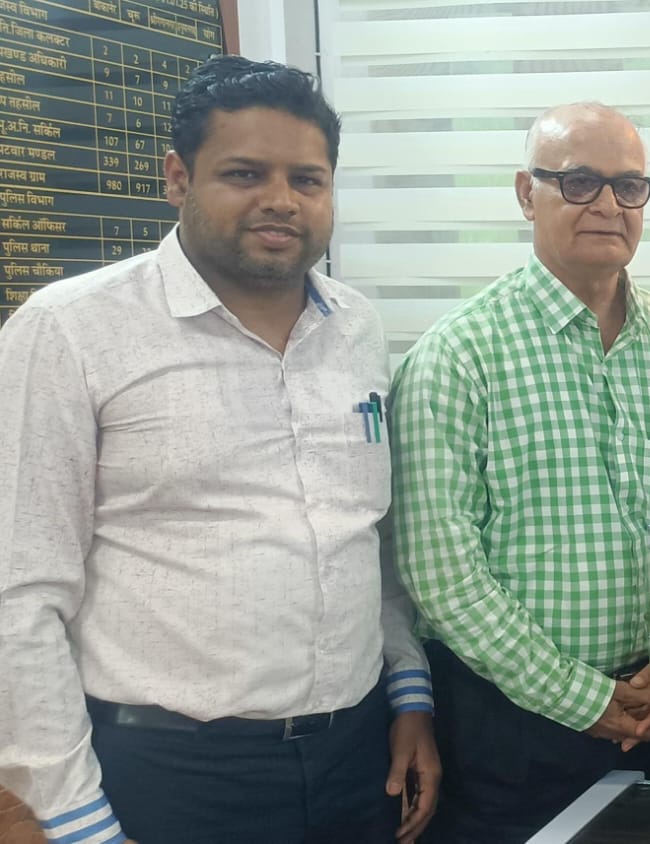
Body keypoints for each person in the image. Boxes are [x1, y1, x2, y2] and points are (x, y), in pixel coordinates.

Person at [0, 56, 439, 844]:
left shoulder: (358, 329)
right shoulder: (69, 329)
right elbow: (19, 592)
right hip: (172, 775)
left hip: (356, 758)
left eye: (307, 179)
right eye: (245, 173)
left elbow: (364, 539)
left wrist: (409, 696)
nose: (281, 199)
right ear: (178, 177)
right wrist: (76, 818)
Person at [389, 102, 650, 842]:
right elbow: (441, 572)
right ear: (527, 193)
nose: (608, 205)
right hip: (510, 728)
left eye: (629, 186)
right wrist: (581, 698)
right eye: (580, 182)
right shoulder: (459, 355)